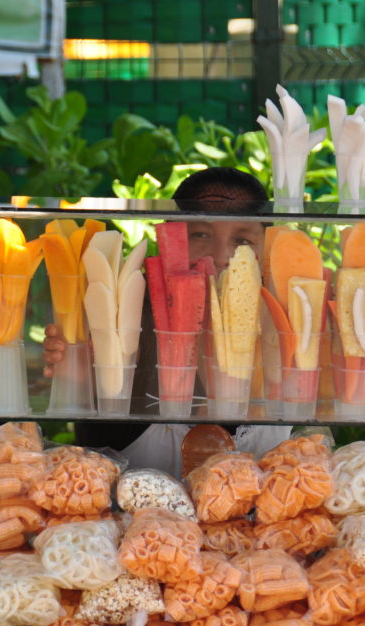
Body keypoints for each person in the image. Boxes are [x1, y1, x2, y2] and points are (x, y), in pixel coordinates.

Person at [41, 167, 286, 459]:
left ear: (267, 249)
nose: (221, 256)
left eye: (242, 240)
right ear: (171, 241)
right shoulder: (129, 318)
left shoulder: (285, 324)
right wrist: (83, 381)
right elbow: (96, 449)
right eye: (200, 234)